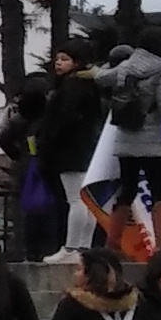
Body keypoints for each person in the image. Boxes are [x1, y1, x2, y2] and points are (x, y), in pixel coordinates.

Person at [23, 49, 106, 261]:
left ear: (76, 62)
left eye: (65, 59)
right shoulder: (89, 86)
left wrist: (47, 141)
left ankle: (71, 248)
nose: (58, 63)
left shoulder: (70, 88)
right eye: (57, 59)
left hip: (70, 152)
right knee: (86, 201)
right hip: (87, 149)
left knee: (76, 200)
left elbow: (61, 120)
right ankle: (83, 247)